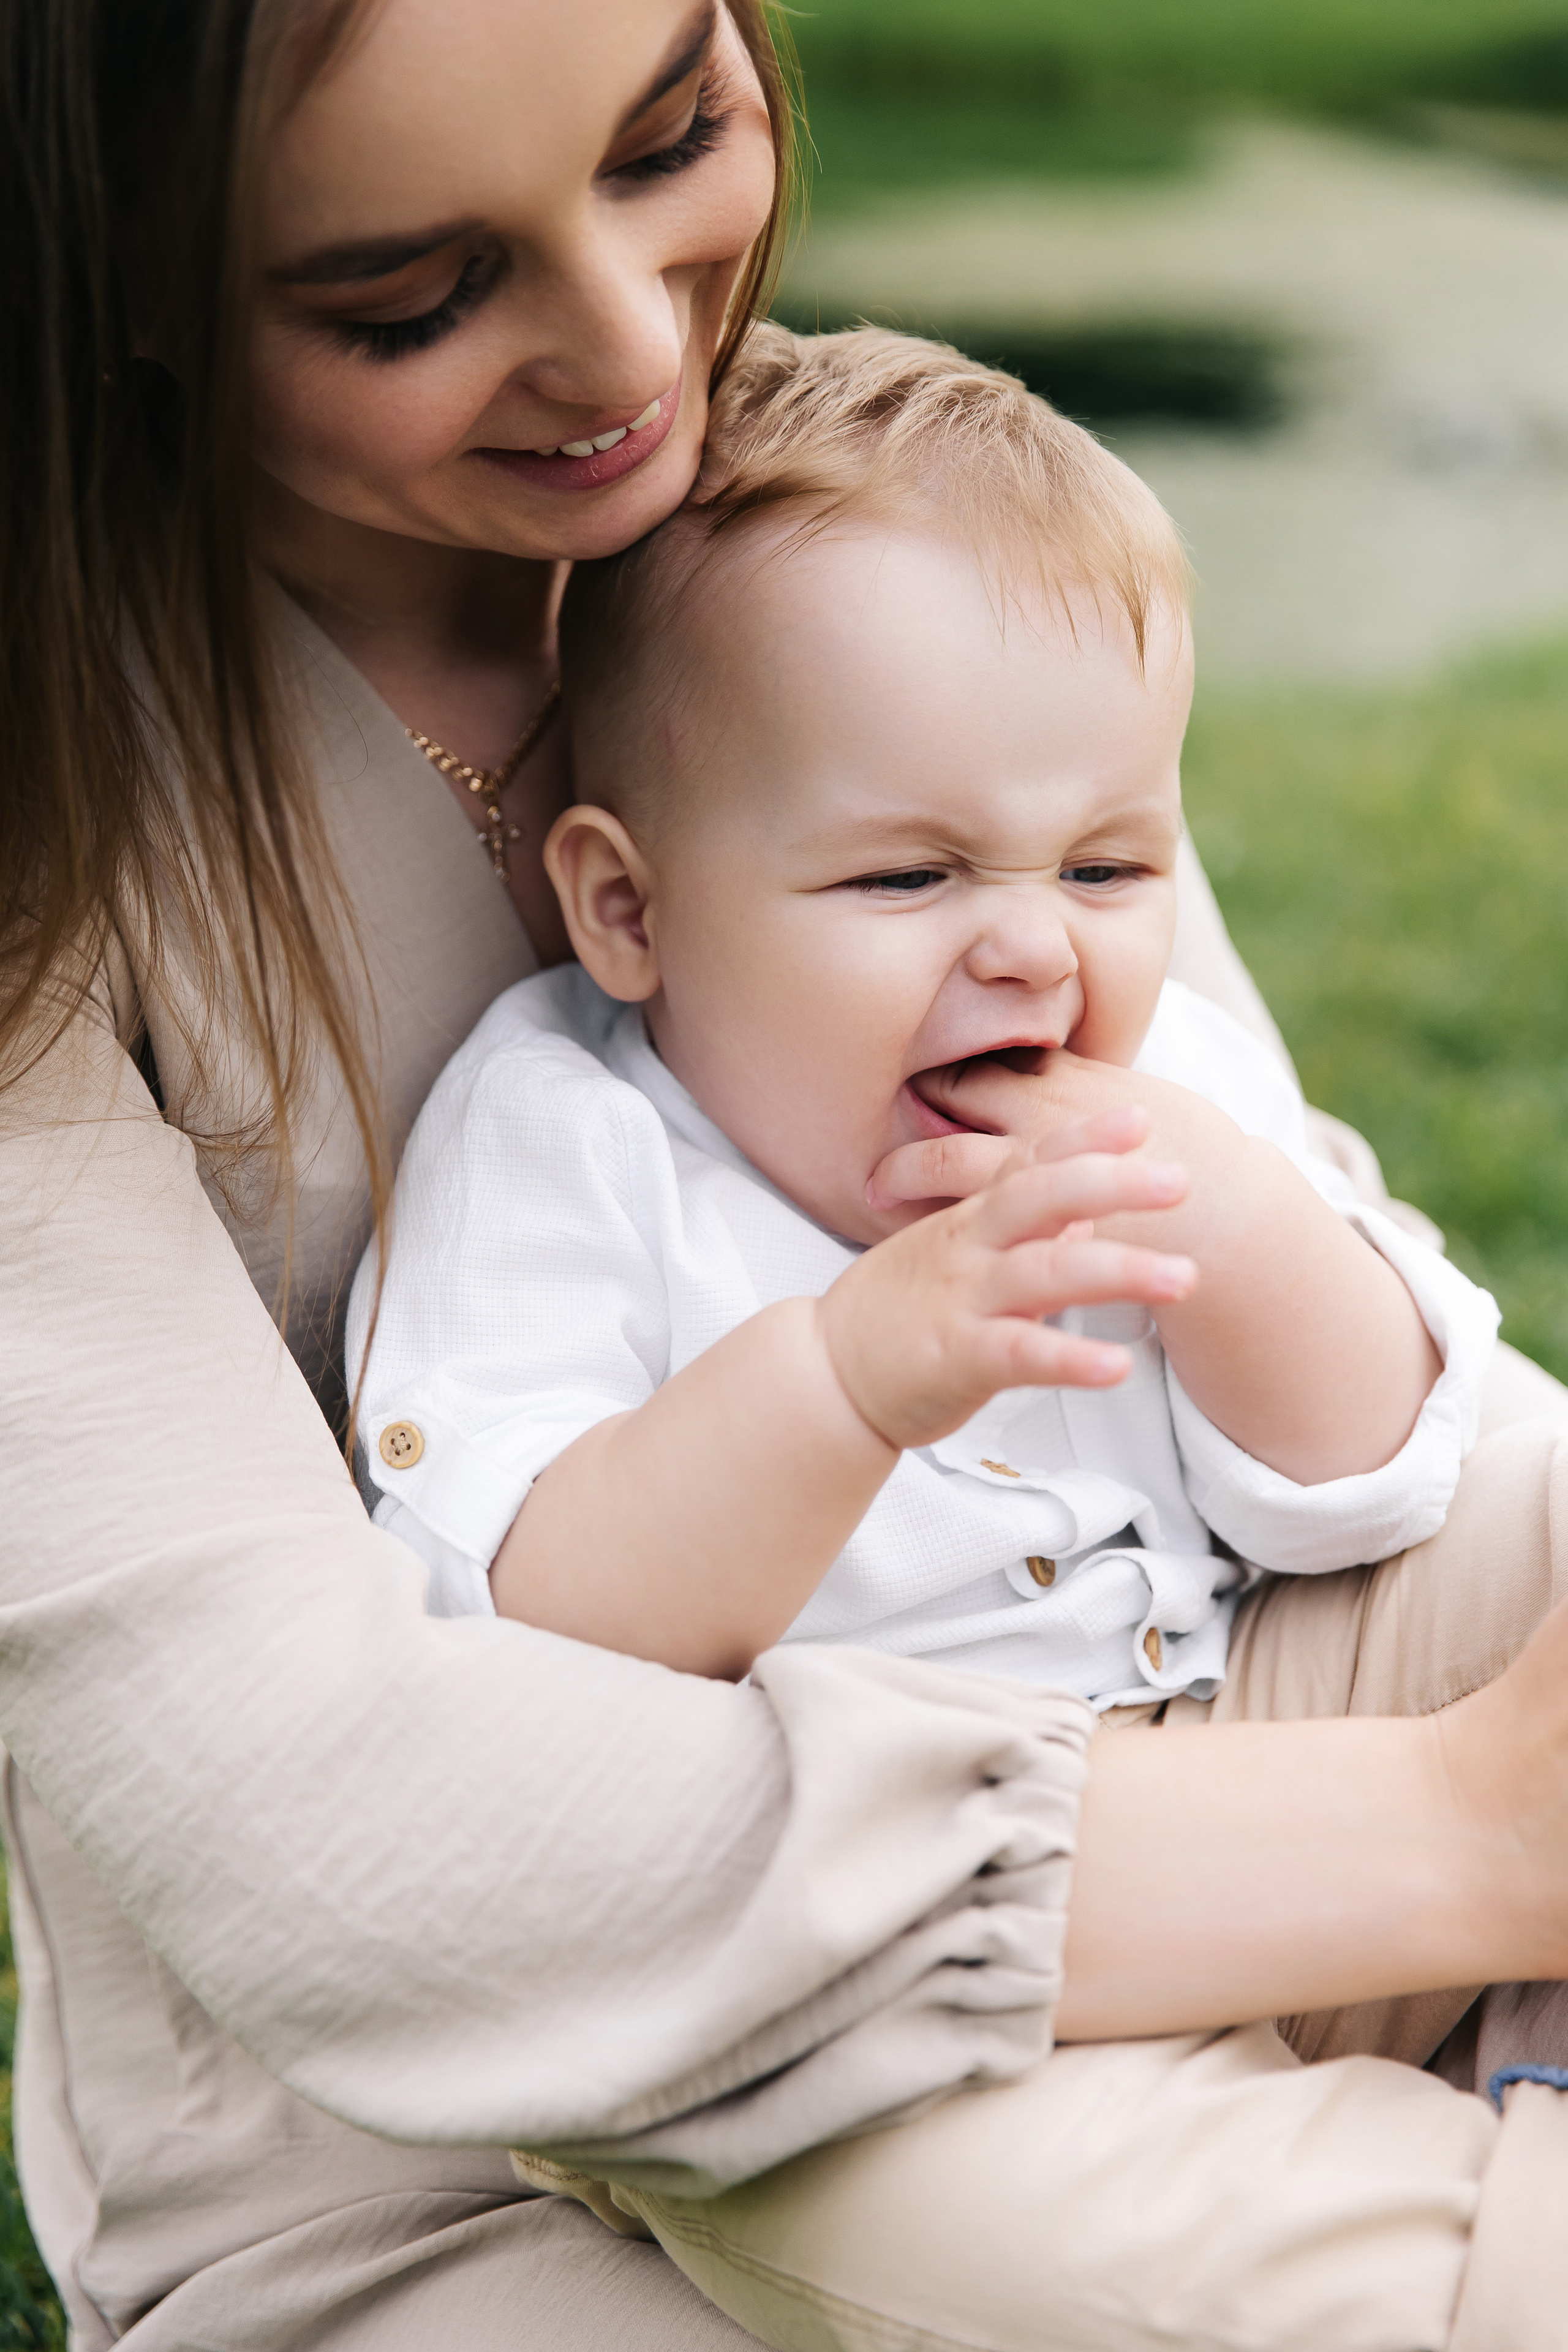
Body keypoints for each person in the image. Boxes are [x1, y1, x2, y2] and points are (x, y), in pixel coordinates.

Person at [0, 0, 1564, 2345]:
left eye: (671, 137)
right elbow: (369, 1845)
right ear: (107, 276)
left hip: (1235, 1720)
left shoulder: (849, 515)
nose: (643, 358)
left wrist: (1292, 1287)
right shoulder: (79, 864)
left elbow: (1344, 1317)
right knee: (1032, 2227)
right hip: (547, 2111)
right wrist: (1470, 1831)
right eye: (413, 296)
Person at [350, 326, 1496, 1728]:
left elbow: (1377, 1485)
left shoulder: (1175, 1100)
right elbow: (517, 1620)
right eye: (906, 876)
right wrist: (841, 1386)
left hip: (1232, 1721)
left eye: (1102, 870)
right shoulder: (564, 1143)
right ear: (631, 912)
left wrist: (1238, 1233)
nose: (1033, 949)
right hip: (851, 1810)